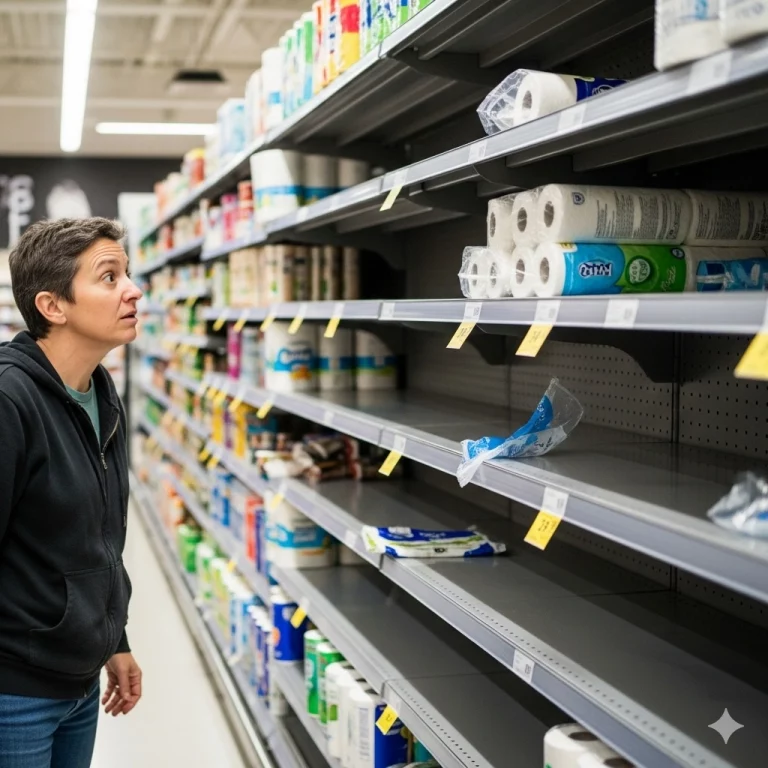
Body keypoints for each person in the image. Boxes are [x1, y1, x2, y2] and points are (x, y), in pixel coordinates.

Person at [0, 217, 144, 767]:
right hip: (14, 691)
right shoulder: (10, 401)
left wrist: (116, 638)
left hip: (79, 681)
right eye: (109, 278)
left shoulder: (100, 393)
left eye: (127, 274)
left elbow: (96, 540)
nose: (132, 290)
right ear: (53, 306)